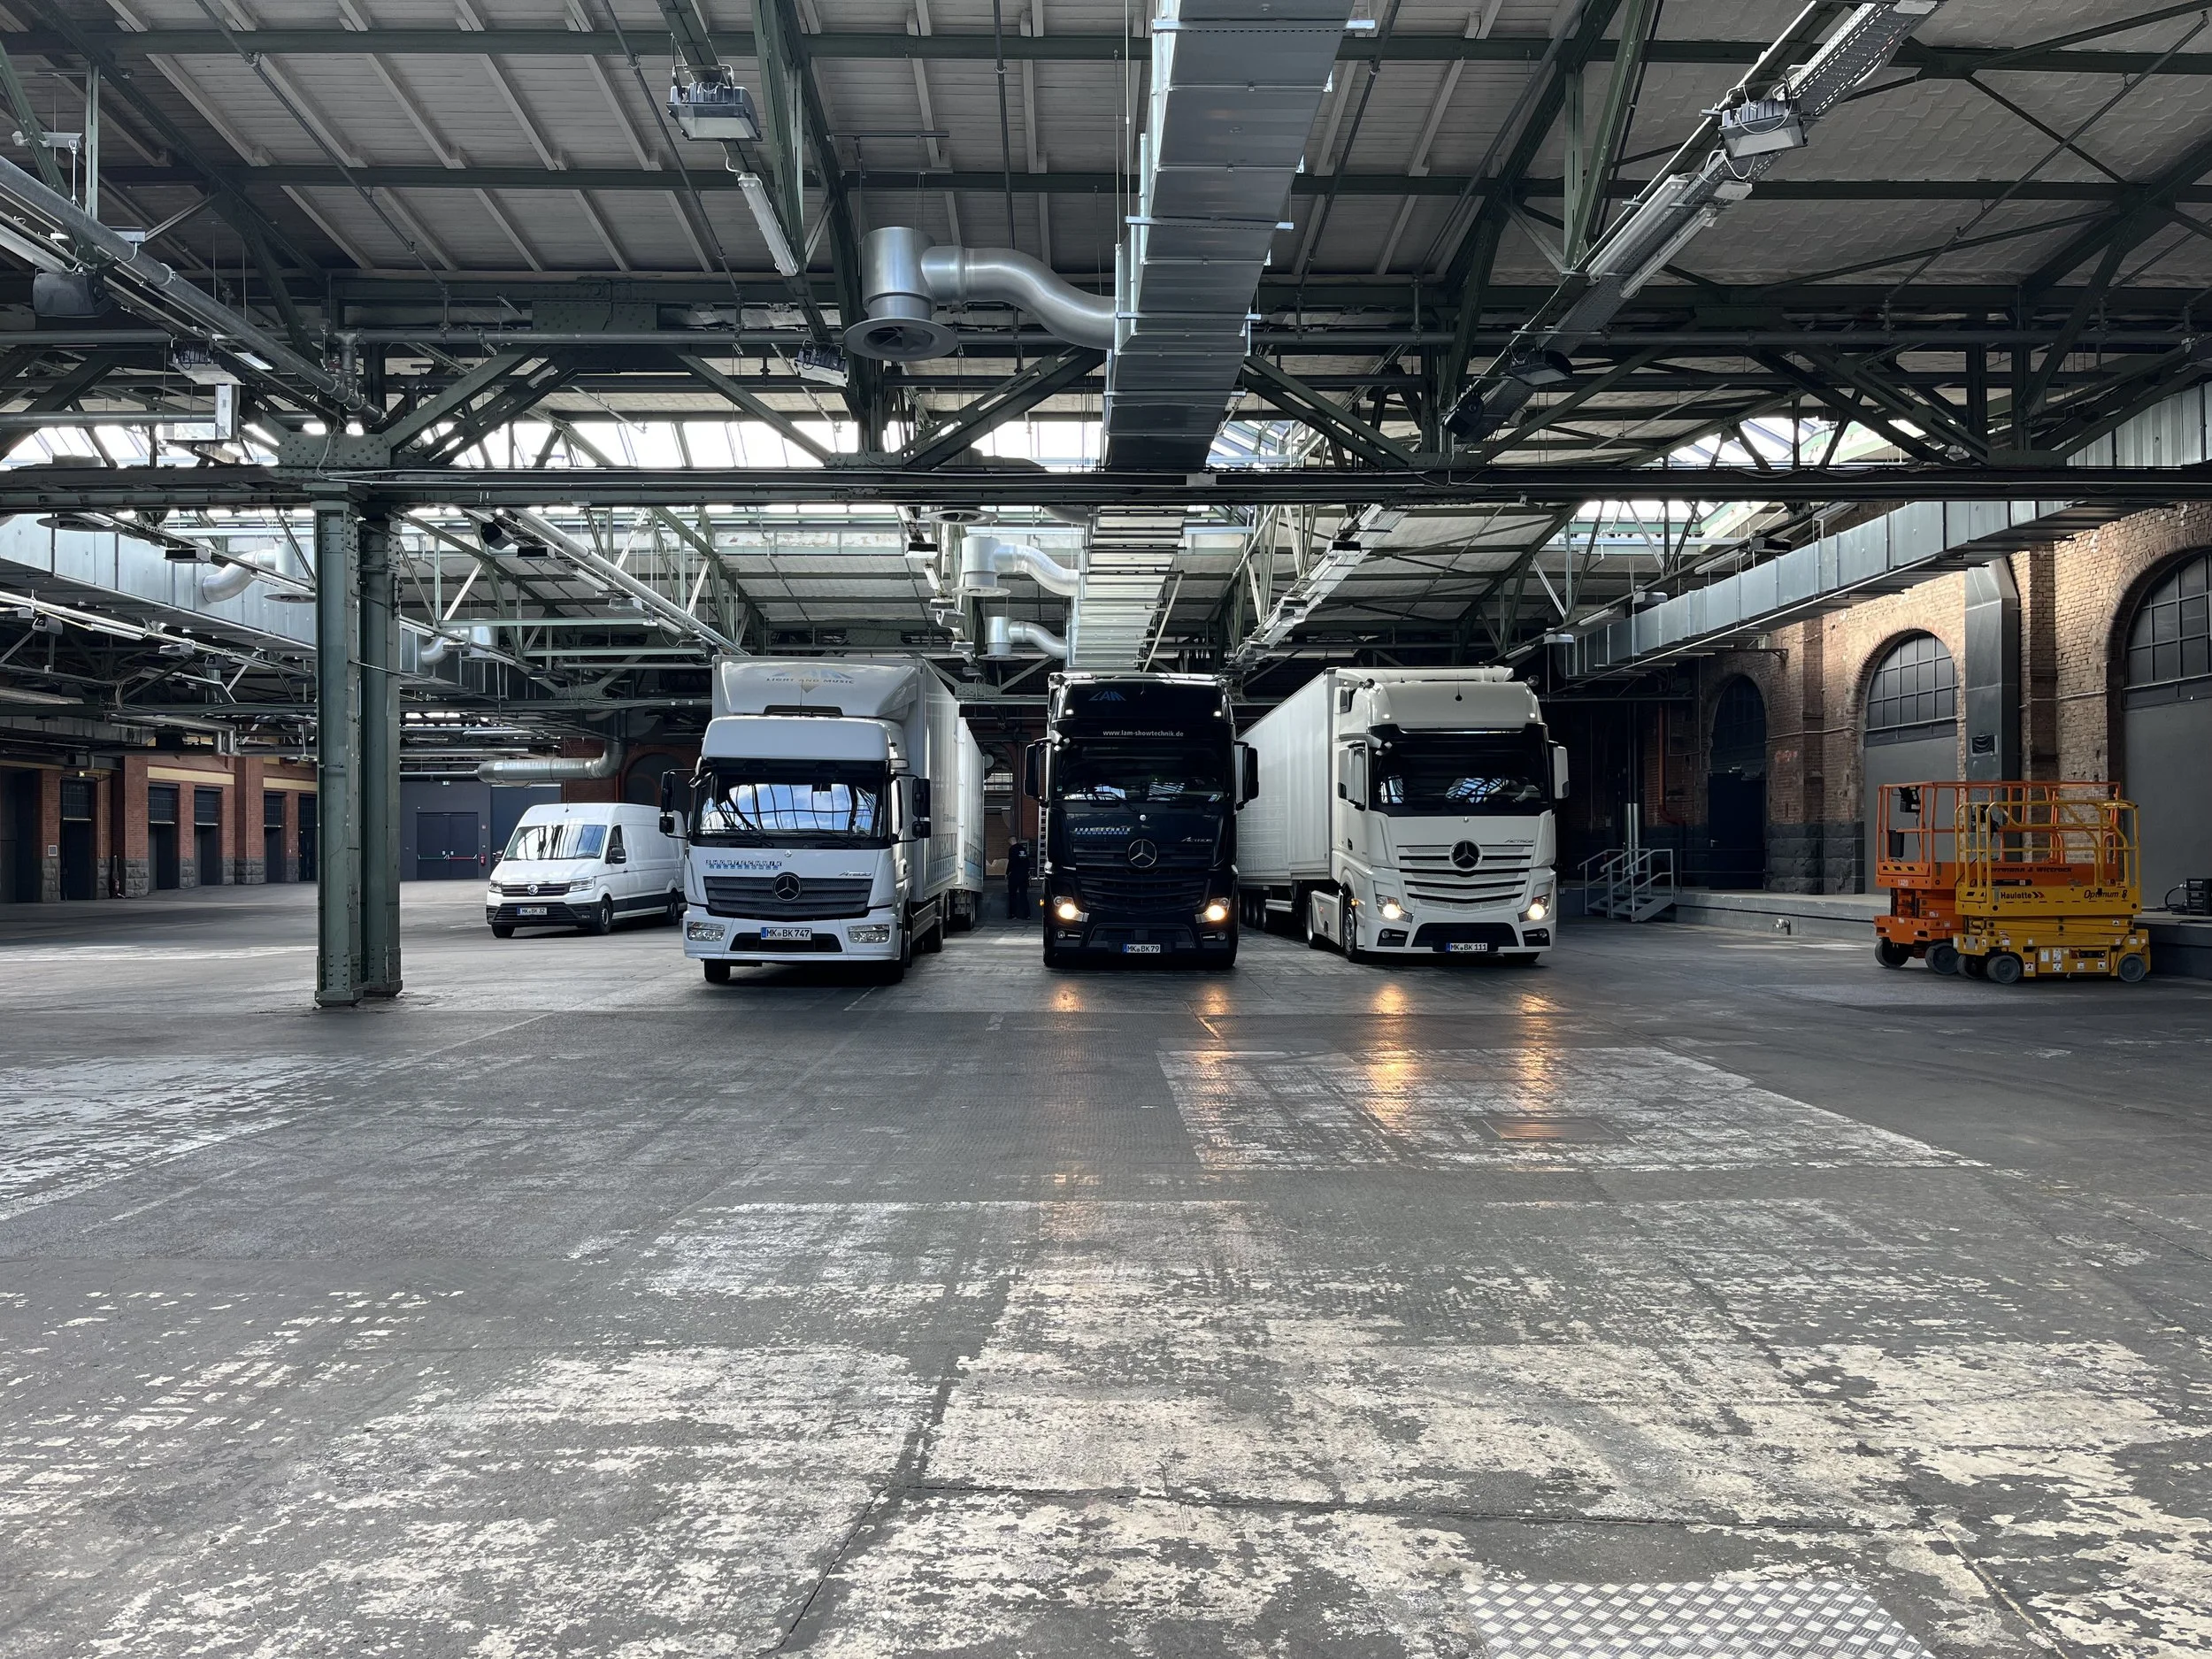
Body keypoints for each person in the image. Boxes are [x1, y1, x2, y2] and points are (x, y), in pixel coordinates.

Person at [1005, 839, 1032, 921]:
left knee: (1012, 895)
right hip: (1024, 875)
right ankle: (1027, 915)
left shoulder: (1012, 849)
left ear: (1011, 841)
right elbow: (1027, 862)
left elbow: (1011, 862)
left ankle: (1013, 914)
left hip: (1014, 875)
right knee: (1023, 895)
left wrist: (1007, 872)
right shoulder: (1023, 849)